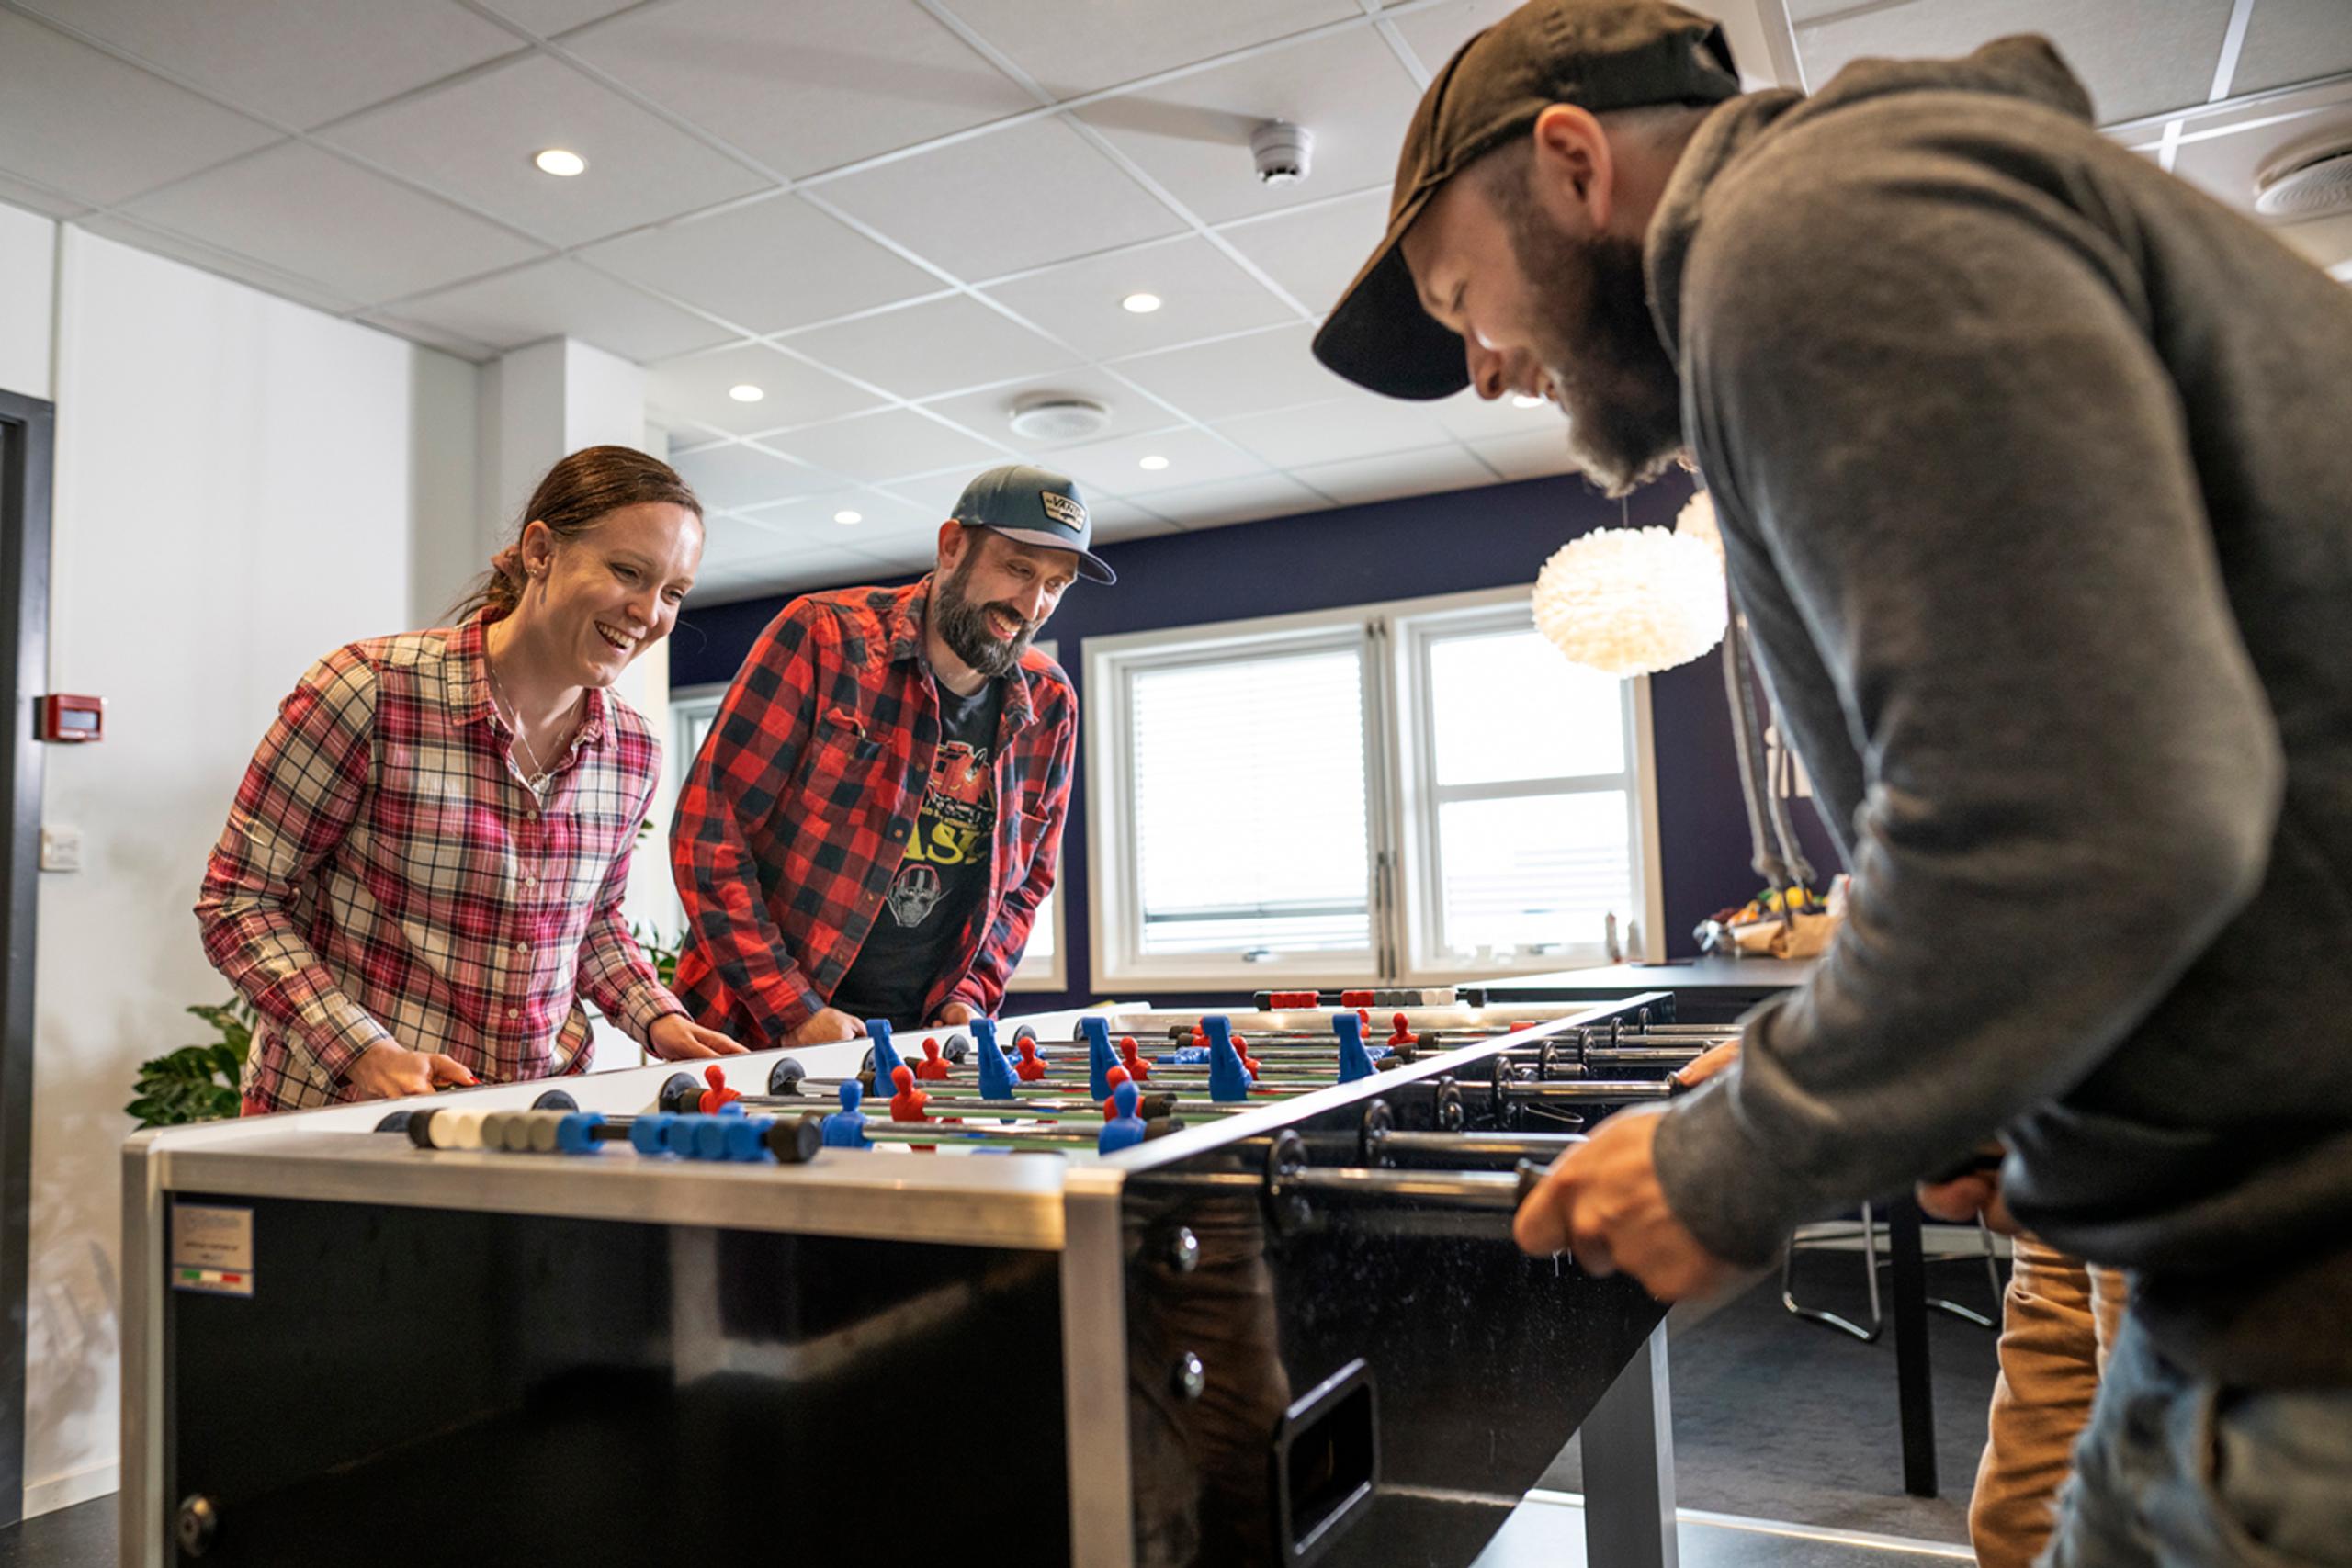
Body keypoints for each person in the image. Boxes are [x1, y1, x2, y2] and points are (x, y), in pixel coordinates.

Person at [1313, 1, 2352, 1561]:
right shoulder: (1874, 220)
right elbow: (2190, 752)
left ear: (1575, 163)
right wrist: (2019, 1080)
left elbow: (2077, 820)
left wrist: (1743, 1154)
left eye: (1468, 297)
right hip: (2240, 1284)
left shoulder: (1802, 239)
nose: (1482, 369)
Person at [198, 446, 745, 1112]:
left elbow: (593, 923)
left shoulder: (632, 751)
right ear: (540, 551)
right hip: (347, 1117)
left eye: (673, 593)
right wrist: (365, 1050)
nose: (648, 612)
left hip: (529, 1121)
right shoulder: (370, 689)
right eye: (627, 571)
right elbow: (239, 900)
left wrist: (659, 1019)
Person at [669, 463, 1104, 1047]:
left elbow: (1028, 884)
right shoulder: (824, 639)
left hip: (915, 1046)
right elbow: (708, 836)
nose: (1032, 605)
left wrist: (971, 993)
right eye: (1018, 569)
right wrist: (792, 1008)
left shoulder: (1051, 705)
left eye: (1056, 585)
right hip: (750, 1030)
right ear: (952, 546)